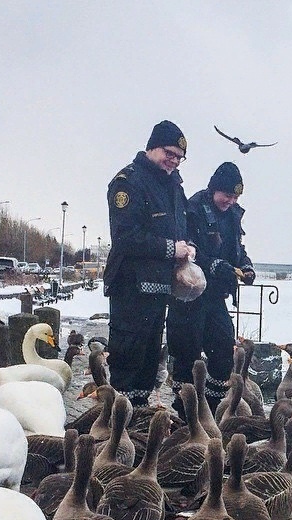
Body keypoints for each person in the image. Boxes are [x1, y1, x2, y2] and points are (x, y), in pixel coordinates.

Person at [103, 120, 194, 406]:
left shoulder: (174, 188)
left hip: (159, 289)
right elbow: (126, 238)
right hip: (132, 287)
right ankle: (116, 428)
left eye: (179, 158)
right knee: (127, 359)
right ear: (152, 147)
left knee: (148, 363)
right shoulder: (128, 182)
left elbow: (183, 229)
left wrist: (189, 247)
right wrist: (171, 249)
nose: (174, 161)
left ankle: (138, 427)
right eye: (169, 153)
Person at [167, 162, 255, 415]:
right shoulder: (193, 208)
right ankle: (185, 411)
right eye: (227, 195)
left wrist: (245, 265)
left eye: (236, 196)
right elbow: (189, 248)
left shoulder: (233, 214)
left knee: (222, 350)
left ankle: (211, 409)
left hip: (216, 295)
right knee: (188, 353)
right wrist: (214, 265)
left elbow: (236, 249)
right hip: (190, 293)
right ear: (215, 188)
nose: (231, 200)